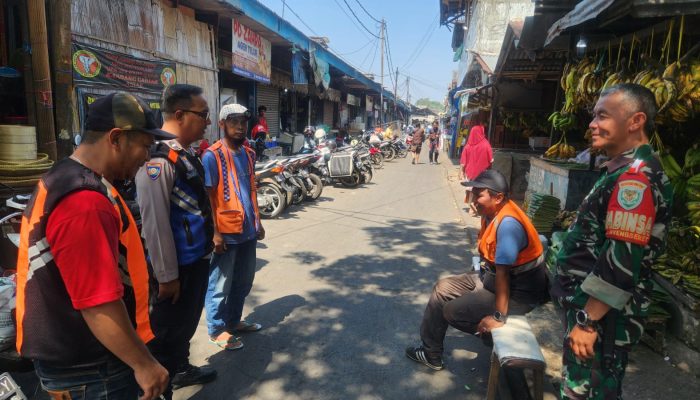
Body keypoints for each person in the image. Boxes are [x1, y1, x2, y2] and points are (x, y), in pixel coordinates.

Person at [15, 92, 171, 400]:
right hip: (91, 371)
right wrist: (144, 364)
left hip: (80, 362)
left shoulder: (65, 176)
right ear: (116, 138)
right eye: (145, 145)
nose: (147, 156)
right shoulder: (85, 201)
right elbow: (97, 302)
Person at [551, 84, 671, 399]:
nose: (592, 124)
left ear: (636, 121)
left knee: (586, 392)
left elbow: (621, 260)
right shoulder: (620, 172)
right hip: (598, 315)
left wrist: (587, 321)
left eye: (602, 115)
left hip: (603, 322)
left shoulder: (635, 181)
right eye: (593, 116)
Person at [406, 169, 548, 371]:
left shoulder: (508, 225)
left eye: (479, 194)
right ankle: (431, 353)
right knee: (442, 288)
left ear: (498, 197)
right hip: (489, 277)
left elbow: (503, 275)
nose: (473, 198)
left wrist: (498, 317)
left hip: (518, 294)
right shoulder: (490, 213)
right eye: (474, 193)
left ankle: (490, 335)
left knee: (453, 311)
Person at [135, 84, 216, 397]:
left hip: (195, 260)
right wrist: (166, 276)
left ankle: (180, 369)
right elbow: (154, 224)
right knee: (166, 334)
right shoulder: (159, 159)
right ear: (180, 114)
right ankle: (163, 387)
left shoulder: (183, 153)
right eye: (203, 115)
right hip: (176, 271)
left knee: (184, 326)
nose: (208, 122)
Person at [203, 103, 265, 350]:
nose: (240, 127)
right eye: (233, 122)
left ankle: (234, 321)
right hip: (226, 233)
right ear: (222, 125)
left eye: (243, 122)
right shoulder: (212, 155)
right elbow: (208, 197)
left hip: (248, 229)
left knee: (244, 280)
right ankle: (217, 329)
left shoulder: (249, 154)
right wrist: (215, 232)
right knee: (219, 283)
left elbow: (251, 190)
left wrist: (258, 222)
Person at [460, 116, 493, 215]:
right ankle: (473, 206)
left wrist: (461, 171)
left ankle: (471, 205)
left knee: (470, 188)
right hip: (482, 173)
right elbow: (491, 160)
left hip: (469, 172)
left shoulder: (468, 145)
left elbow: (463, 161)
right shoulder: (486, 144)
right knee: (479, 190)